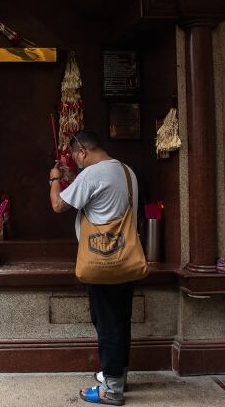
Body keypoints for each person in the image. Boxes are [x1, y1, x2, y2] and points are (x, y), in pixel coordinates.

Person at [49, 130, 138, 406]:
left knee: (107, 322)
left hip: (102, 261)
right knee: (121, 320)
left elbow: (58, 205)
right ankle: (117, 376)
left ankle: (111, 391)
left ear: (82, 152)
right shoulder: (126, 172)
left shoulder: (92, 174)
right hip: (126, 258)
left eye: (76, 158)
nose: (77, 163)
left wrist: (55, 179)